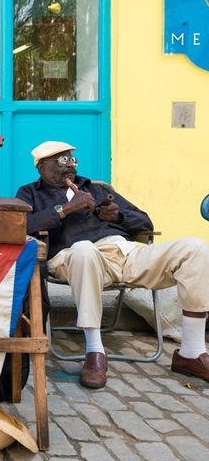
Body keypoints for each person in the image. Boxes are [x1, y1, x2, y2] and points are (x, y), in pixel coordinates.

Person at [16, 141, 209, 388]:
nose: (70, 167)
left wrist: (118, 215)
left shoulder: (94, 188)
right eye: (62, 161)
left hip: (122, 251)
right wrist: (64, 210)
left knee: (195, 248)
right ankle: (95, 352)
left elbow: (145, 223)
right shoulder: (30, 193)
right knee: (84, 250)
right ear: (42, 167)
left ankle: (191, 353)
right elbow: (22, 226)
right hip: (71, 256)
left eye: (72, 160)